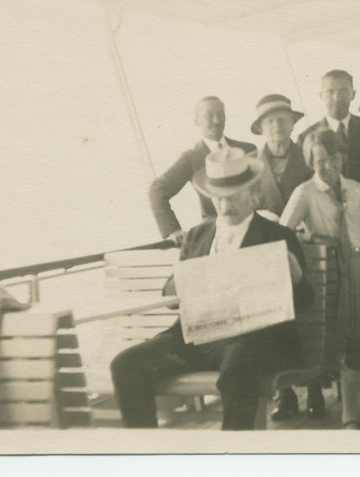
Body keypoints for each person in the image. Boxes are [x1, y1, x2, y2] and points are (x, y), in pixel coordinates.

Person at [111, 148, 313, 430]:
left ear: (252, 192)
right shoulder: (196, 236)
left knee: (238, 369)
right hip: (197, 337)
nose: (225, 203)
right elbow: (170, 300)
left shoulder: (277, 236)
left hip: (250, 338)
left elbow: (304, 303)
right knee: (126, 365)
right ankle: (145, 456)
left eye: (234, 194)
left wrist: (297, 276)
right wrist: (181, 281)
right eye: (219, 196)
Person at [279, 129, 360, 429]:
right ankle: (349, 417)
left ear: (342, 156)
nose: (327, 165)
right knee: (352, 347)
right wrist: (312, 237)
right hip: (337, 275)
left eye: (333, 158)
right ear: (310, 162)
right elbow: (282, 233)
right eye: (320, 161)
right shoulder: (305, 193)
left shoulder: (357, 189)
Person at [149, 96, 257, 245]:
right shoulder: (191, 158)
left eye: (220, 114)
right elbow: (157, 190)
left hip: (253, 226)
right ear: (196, 120)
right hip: (217, 233)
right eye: (209, 115)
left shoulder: (247, 149)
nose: (217, 120)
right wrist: (172, 231)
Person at [297, 70, 360, 193]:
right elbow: (308, 181)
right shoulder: (306, 137)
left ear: (353, 94)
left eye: (343, 91)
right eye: (330, 92)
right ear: (321, 96)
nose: (337, 97)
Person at [250, 94, 313, 217]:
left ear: (292, 124)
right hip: (265, 233)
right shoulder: (249, 163)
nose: (277, 125)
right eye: (270, 121)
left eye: (282, 119)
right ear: (261, 128)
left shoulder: (309, 157)